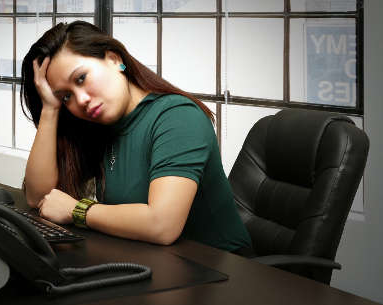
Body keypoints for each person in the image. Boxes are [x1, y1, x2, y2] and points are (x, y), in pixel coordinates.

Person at [20, 21, 251, 253]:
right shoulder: (102, 125)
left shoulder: (178, 117)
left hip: (222, 270)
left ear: (114, 59)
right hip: (153, 261)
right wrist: (50, 109)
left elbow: (162, 225)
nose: (80, 100)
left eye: (81, 78)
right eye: (66, 96)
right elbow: (40, 198)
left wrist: (76, 210)